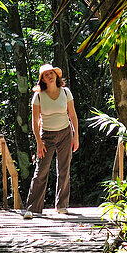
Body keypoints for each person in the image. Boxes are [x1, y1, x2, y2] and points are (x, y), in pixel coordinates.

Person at [23, 63, 79, 218]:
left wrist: (76, 136)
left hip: (65, 134)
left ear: (56, 75)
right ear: (43, 79)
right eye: (46, 75)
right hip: (46, 136)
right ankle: (33, 208)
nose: (49, 76)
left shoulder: (66, 92)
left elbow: (72, 115)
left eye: (51, 73)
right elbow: (34, 122)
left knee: (64, 169)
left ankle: (62, 205)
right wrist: (39, 143)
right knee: (41, 171)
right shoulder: (39, 96)